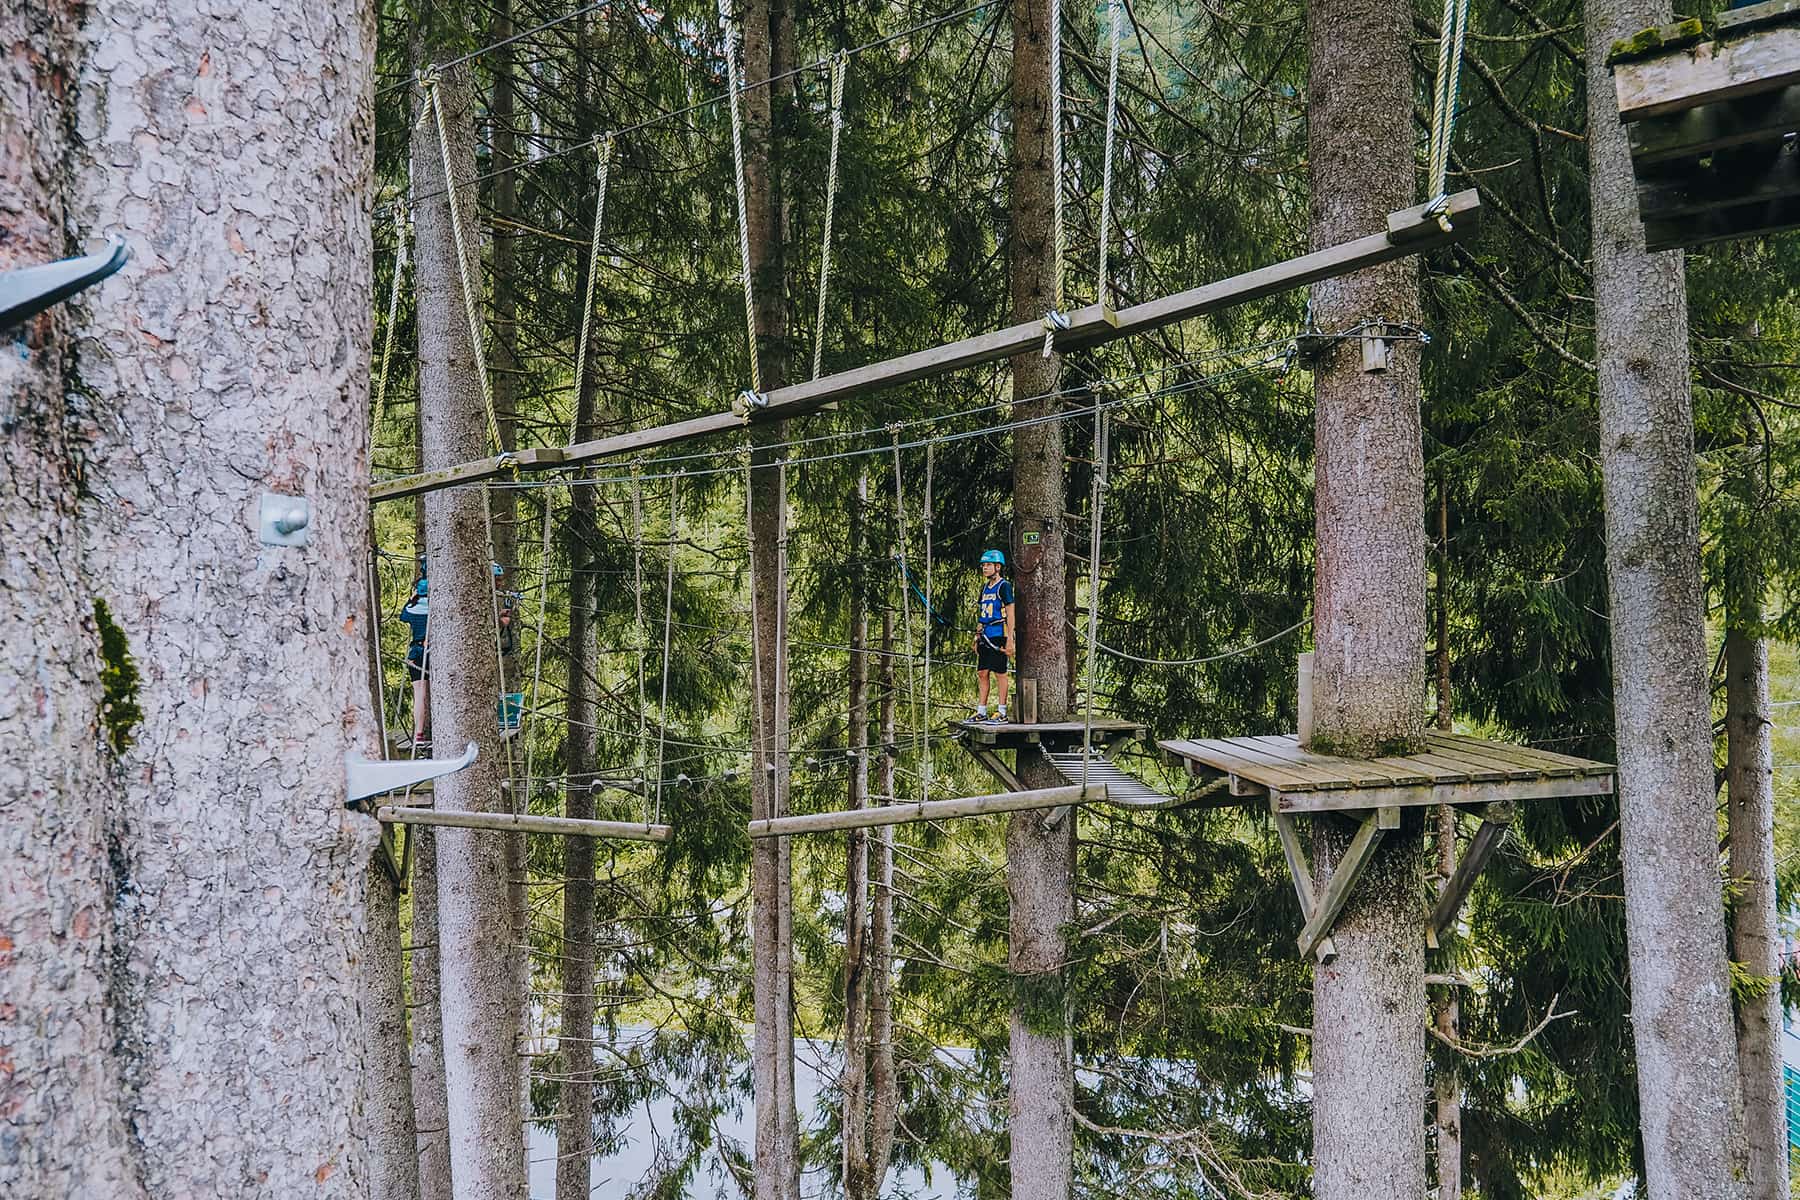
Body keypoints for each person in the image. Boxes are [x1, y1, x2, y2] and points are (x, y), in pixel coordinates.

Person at [971, 548, 1015, 723]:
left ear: (998, 567)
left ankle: (1002, 711)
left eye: (988, 565)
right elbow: (983, 612)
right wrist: (977, 635)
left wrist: (1010, 639)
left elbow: (1010, 612)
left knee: (1000, 672)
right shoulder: (985, 588)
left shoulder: (1004, 586)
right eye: (983, 565)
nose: (985, 568)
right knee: (982, 672)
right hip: (985, 634)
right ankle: (981, 711)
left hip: (998, 634)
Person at [399, 577, 430, 751]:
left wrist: (412, 598)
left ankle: (419, 733)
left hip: (416, 653)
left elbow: (403, 616)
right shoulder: (436, 607)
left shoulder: (412, 608)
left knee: (420, 694)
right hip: (434, 652)